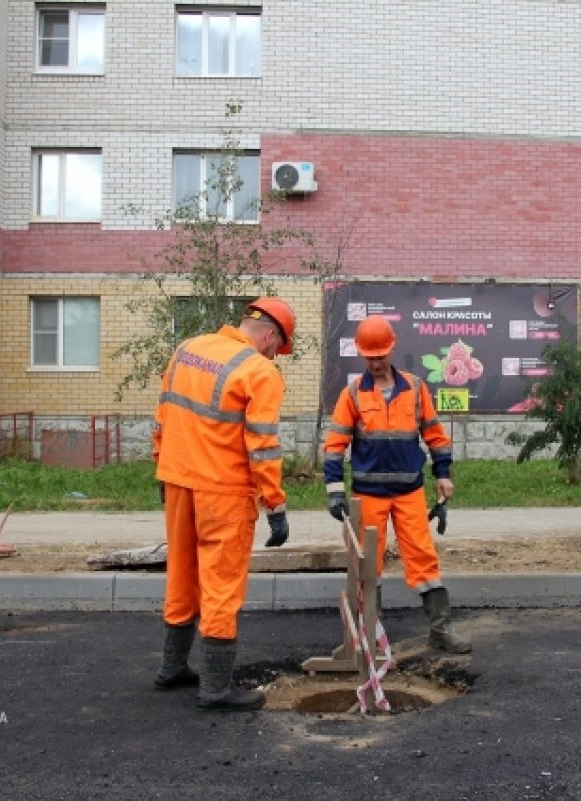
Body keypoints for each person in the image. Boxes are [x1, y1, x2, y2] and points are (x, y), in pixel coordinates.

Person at [150, 297, 296, 712]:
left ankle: (172, 668)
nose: (274, 355)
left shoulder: (188, 349)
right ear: (270, 335)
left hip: (178, 481)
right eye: (277, 347)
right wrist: (275, 503)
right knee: (221, 584)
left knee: (181, 574)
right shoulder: (258, 370)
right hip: (223, 492)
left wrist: (161, 460)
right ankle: (215, 688)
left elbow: (163, 411)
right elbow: (263, 444)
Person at [323, 314, 472, 653]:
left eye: (380, 356)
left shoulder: (416, 388)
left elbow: (435, 435)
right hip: (368, 495)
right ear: (362, 355)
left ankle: (440, 630)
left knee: (423, 559)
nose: (375, 363)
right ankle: (366, 638)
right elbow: (334, 445)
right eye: (369, 357)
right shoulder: (352, 394)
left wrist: (444, 474)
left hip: (409, 492)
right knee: (366, 567)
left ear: (392, 349)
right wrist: (334, 491)